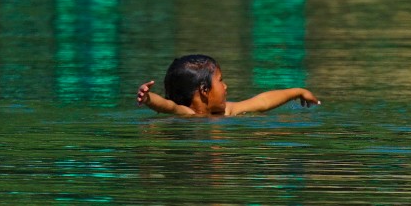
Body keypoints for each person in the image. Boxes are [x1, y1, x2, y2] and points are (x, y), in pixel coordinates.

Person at [136, 55, 319, 118]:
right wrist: (149, 98)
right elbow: (168, 106)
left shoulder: (227, 111)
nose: (225, 86)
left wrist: (298, 91)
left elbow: (262, 101)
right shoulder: (188, 115)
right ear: (204, 90)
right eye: (221, 80)